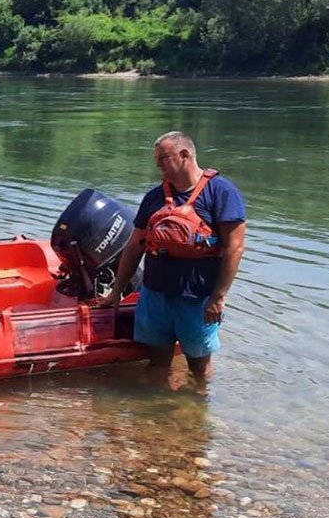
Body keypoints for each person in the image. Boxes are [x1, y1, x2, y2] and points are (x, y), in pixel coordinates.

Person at [97, 131, 246, 385]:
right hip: (155, 296)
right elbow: (135, 245)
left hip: (198, 300)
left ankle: (195, 414)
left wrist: (218, 297)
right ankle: (157, 414)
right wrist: (116, 292)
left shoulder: (221, 192)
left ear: (185, 155)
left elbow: (235, 247)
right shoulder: (154, 197)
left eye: (163, 158)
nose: (158, 165)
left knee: (199, 367)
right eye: (157, 159)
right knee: (156, 363)